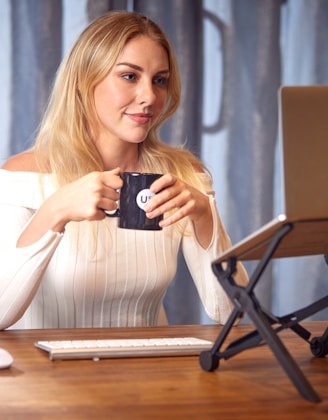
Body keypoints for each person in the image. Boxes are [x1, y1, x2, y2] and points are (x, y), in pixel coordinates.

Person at [0, 11, 248, 330]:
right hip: (45, 377)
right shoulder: (22, 176)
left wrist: (205, 215)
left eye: (159, 80)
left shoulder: (183, 175)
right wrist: (55, 210)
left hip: (147, 375)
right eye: (130, 76)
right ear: (82, 79)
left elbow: (233, 312)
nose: (149, 97)